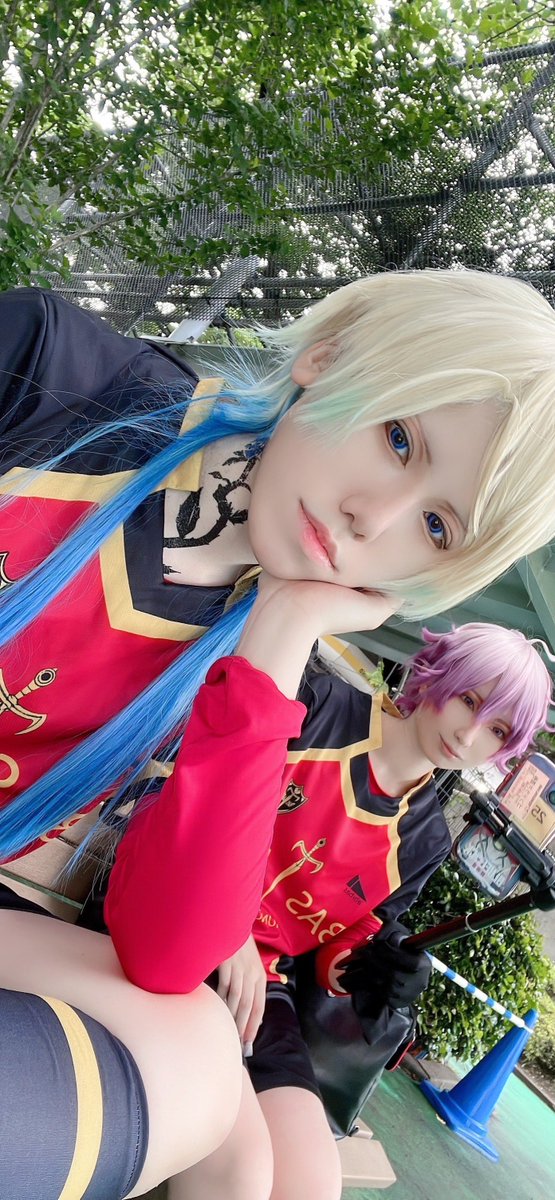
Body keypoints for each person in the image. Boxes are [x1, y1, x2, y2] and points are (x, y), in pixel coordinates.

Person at [0, 268, 554, 1197]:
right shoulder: (54, 373)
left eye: (434, 525)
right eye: (397, 437)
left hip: (238, 989)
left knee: (215, 1086)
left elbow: (182, 955)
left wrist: (283, 631)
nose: (372, 518)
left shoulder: (265, 678)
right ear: (329, 357)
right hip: (123, 927)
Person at [174, 623, 552, 1200]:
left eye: (496, 730)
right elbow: (202, 790)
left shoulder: (425, 838)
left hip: (264, 990)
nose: (469, 733)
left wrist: (378, 970)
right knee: (239, 1172)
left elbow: (345, 941)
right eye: (469, 699)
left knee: (312, 1183)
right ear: (439, 673)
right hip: (182, 917)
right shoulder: (320, 705)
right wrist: (228, 928)